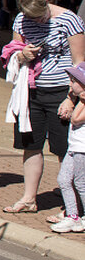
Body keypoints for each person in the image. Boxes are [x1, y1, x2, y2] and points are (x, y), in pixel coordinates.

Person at [2, 0, 85, 215]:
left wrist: (71, 98)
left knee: (64, 148)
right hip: (31, 91)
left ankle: (72, 204)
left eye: (38, 15)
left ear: (47, 1)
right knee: (31, 144)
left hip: (61, 90)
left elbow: (80, 63)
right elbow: (12, 53)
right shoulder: (21, 20)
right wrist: (22, 54)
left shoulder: (69, 20)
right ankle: (29, 198)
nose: (34, 20)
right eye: (29, 16)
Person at [50, 62, 85, 233]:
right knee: (64, 180)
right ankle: (73, 216)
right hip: (74, 147)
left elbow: (76, 119)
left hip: (82, 150)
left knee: (80, 183)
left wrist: (81, 101)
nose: (70, 84)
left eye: (74, 81)